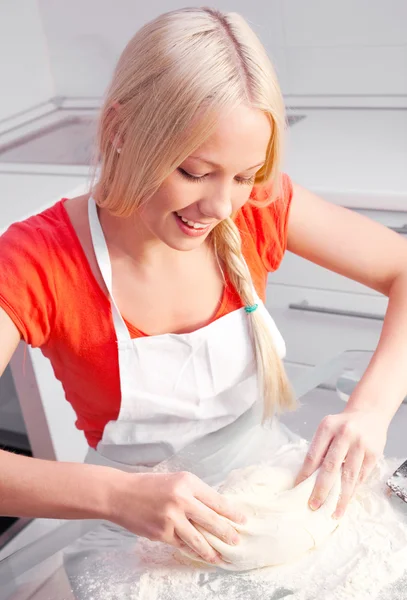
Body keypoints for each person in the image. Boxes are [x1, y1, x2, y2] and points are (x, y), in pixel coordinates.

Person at [1, 6, 407, 568]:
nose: (221, 207)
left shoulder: (257, 209)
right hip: (127, 526)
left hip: (267, 480)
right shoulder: (36, 262)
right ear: (119, 131)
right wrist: (116, 497)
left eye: (244, 177)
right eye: (194, 172)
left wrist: (372, 409)